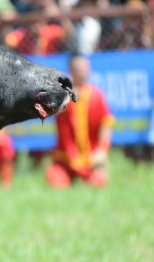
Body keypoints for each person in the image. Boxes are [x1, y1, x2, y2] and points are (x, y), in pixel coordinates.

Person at [46, 54, 114, 188]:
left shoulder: (97, 96)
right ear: (71, 70)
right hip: (66, 158)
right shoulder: (64, 97)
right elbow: (60, 124)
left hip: (91, 158)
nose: (82, 71)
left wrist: (102, 150)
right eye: (78, 68)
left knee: (99, 181)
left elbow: (106, 125)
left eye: (85, 68)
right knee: (55, 180)